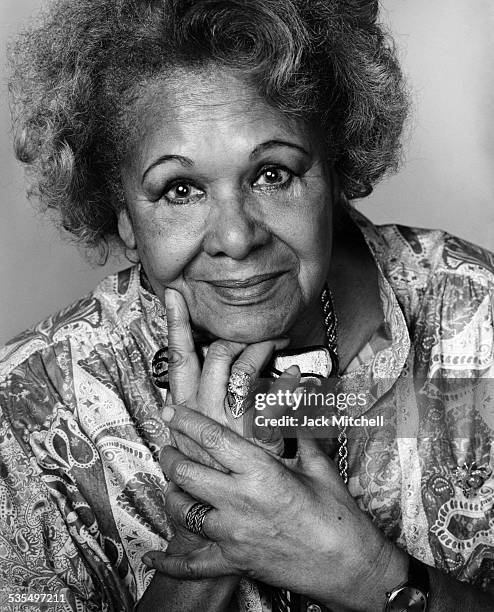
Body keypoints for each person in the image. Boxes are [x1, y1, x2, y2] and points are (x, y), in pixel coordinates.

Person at [1, 0, 494, 610]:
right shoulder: (28, 410)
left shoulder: (477, 314)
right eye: (179, 190)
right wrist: (214, 532)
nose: (236, 238)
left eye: (272, 175)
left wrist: (365, 574)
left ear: (335, 174)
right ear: (124, 218)